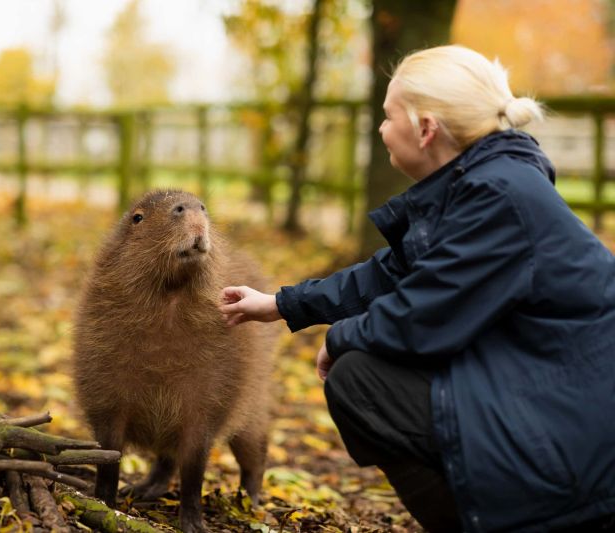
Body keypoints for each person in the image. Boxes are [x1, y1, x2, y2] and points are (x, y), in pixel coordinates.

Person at [219, 45, 615, 533]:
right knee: (363, 368)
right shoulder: (478, 185)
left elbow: (419, 318)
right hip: (537, 388)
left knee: (359, 380)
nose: (381, 129)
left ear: (426, 129)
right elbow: (389, 274)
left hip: (572, 429)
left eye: (388, 117)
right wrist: (280, 303)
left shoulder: (499, 197)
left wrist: (339, 339)